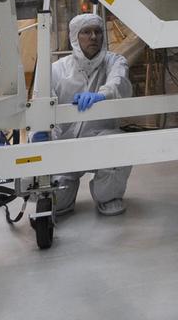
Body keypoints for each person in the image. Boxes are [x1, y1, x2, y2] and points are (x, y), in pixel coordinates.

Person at [50, 13, 132, 216]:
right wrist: (45, 137)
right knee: (56, 202)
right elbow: (44, 102)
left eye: (97, 31)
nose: (93, 37)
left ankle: (108, 196)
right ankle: (64, 194)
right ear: (74, 37)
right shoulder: (57, 70)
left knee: (121, 146)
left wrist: (100, 96)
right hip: (65, 142)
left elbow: (118, 83)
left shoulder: (115, 61)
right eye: (86, 32)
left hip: (99, 137)